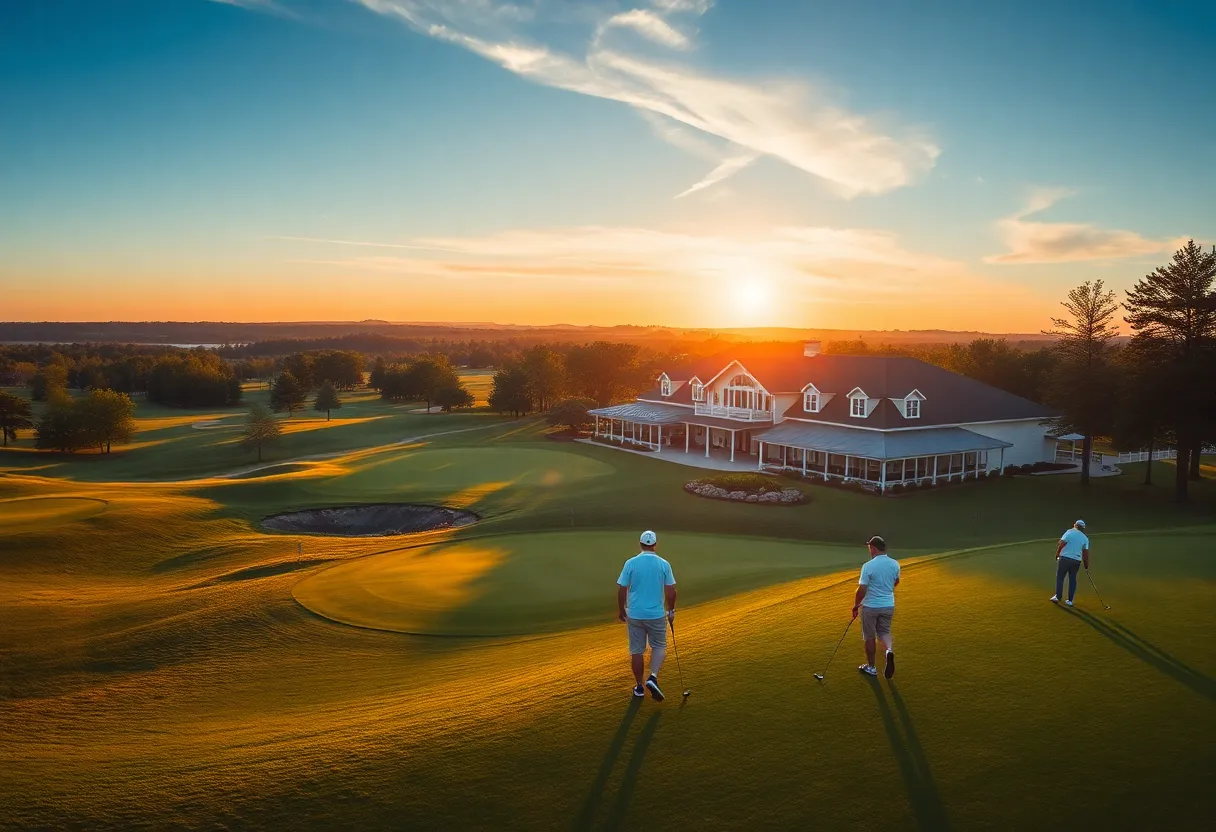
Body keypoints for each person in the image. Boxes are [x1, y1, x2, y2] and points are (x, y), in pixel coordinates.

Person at [616, 530, 677, 701]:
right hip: (656, 614)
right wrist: (671, 610)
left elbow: (622, 589)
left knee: (637, 651)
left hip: (634, 614)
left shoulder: (630, 563)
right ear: (655, 545)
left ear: (641, 544)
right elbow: (671, 591)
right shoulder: (664, 564)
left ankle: (639, 687)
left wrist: (622, 610)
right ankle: (653, 676)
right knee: (659, 646)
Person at [853, 535, 900, 679]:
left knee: (869, 636)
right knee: (884, 631)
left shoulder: (868, 566)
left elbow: (862, 589)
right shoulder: (895, 564)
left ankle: (871, 667)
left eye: (869, 547)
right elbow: (896, 581)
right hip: (888, 605)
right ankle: (889, 651)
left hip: (871, 607)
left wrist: (855, 605)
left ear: (873, 548)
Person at [1052, 519, 1090, 607]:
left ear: (1075, 525)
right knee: (1072, 579)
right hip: (1076, 561)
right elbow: (1085, 553)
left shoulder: (1069, 532)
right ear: (1083, 528)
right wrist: (1086, 564)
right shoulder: (1085, 538)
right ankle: (1070, 600)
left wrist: (1057, 554)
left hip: (1065, 558)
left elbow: (1061, 543)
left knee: (1060, 577)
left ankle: (1058, 596)